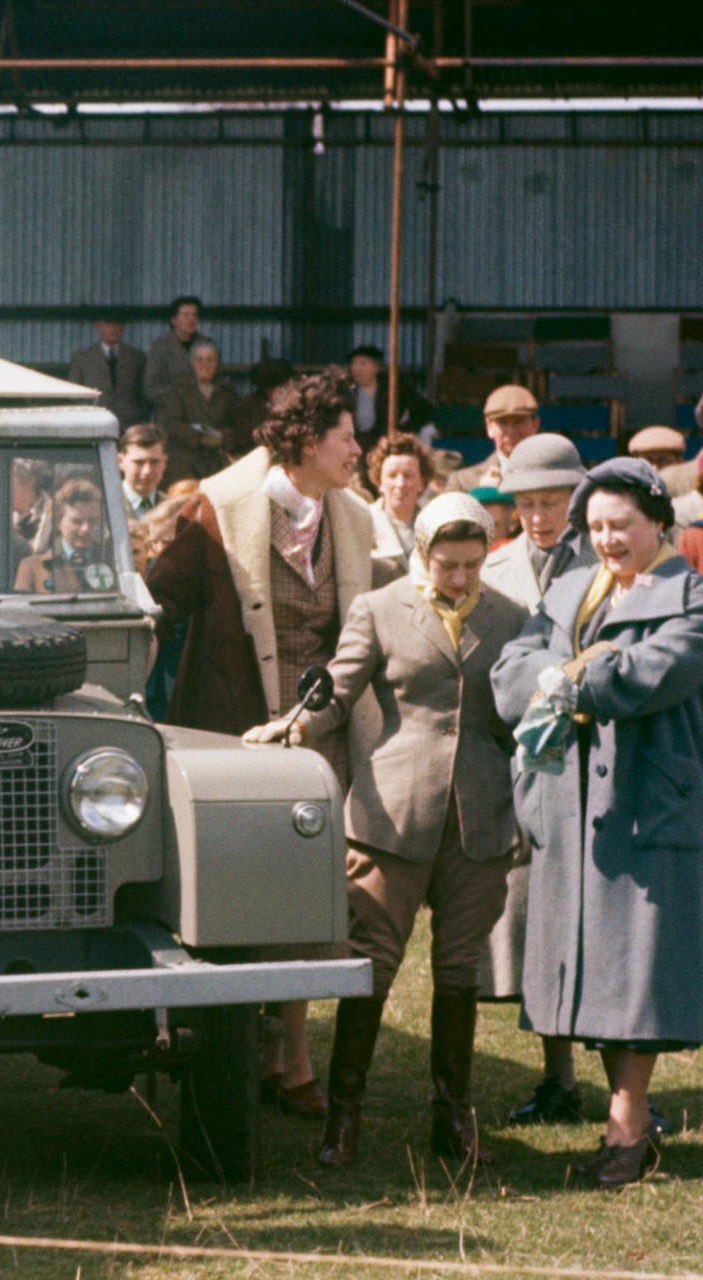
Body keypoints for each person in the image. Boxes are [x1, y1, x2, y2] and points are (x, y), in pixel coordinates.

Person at [247, 494, 525, 1169]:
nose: (459, 579)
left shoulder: (514, 617)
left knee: (459, 971)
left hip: (480, 816)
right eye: (446, 564)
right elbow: (338, 693)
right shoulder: (378, 608)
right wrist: (295, 726)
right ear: (421, 555)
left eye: (471, 564)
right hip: (392, 814)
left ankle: (452, 1121)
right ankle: (344, 1122)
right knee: (372, 967)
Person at [147, 368, 376, 1117]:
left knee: (312, 896)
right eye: (348, 435)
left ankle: (291, 1054)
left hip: (320, 738)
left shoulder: (354, 516)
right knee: (243, 893)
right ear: (309, 441)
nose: (358, 448)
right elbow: (160, 595)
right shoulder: (220, 506)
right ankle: (238, 1049)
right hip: (237, 735)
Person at [490, 458, 703, 1189]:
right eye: (599, 527)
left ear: (658, 526)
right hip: (575, 813)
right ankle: (630, 1123)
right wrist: (558, 675)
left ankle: (627, 1126)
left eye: (624, 526)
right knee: (605, 976)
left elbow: (653, 674)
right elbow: (511, 669)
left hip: (646, 809)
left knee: (635, 974)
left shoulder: (693, 597)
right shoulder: (571, 589)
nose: (609, 540)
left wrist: (568, 676)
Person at [474, 433, 597, 1128]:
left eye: (552, 502)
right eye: (526, 505)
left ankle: (621, 1083)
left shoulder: (610, 561)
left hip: (600, 767)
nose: (540, 517)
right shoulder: (496, 570)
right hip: (526, 770)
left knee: (606, 924)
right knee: (539, 928)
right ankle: (558, 1074)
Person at [152, 339, 236, 483]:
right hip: (184, 463)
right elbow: (171, 424)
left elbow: (236, 423)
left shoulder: (227, 391)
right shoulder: (178, 389)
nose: (205, 365)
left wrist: (222, 436)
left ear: (217, 363)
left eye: (210, 360)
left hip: (216, 462)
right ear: (192, 363)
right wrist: (200, 439)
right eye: (199, 360)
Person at [14, 479, 112, 593]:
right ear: (58, 522)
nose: (86, 529)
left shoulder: (111, 562)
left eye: (93, 521)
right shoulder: (33, 567)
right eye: (77, 521)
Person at [366, 434, 435, 580]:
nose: (400, 484)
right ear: (380, 482)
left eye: (408, 476)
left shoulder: (436, 523)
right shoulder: (363, 521)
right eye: (392, 476)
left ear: (421, 482)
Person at [449, 384, 540, 492]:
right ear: (489, 427)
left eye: (519, 421)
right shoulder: (464, 483)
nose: (511, 431)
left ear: (535, 425)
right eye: (503, 423)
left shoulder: (556, 476)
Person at [347, 344, 434, 447]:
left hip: (387, 444)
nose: (356, 368)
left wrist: (402, 431)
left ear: (376, 367)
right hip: (357, 444)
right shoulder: (347, 391)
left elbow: (425, 410)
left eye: (363, 364)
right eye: (354, 364)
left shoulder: (394, 389)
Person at [66, 318, 148, 427]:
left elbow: (145, 391)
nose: (113, 329)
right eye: (107, 325)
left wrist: (139, 416)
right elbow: (73, 392)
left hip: (129, 422)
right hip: (93, 421)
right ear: (98, 327)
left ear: (123, 328)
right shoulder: (82, 357)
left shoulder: (137, 357)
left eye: (117, 325)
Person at [143, 295, 206, 409]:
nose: (191, 319)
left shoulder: (207, 345)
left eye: (195, 315)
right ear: (174, 320)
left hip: (202, 411)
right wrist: (177, 397)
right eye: (186, 315)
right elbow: (150, 388)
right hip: (170, 412)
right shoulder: (160, 347)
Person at [117, 424, 169, 518]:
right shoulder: (103, 506)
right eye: (139, 462)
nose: (147, 471)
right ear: (120, 462)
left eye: (154, 462)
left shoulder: (174, 511)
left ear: (164, 462)